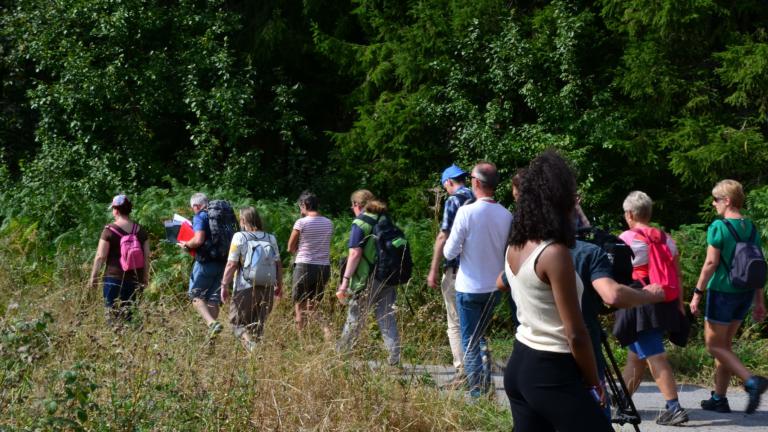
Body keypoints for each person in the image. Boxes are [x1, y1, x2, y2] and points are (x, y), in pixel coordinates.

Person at [503, 150, 611, 432]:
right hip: (551, 368)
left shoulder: (516, 244)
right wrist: (593, 381)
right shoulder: (554, 253)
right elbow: (575, 333)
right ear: (559, 200)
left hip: (521, 361)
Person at [690, 179, 767, 414]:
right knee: (724, 346)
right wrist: (759, 301)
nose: (713, 204)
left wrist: (696, 294)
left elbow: (711, 263)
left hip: (722, 293)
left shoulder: (719, 227)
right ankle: (719, 398)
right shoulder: (751, 227)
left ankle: (751, 381)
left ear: (727, 201)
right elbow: (758, 265)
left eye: (716, 199)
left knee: (714, 345)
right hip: (744, 293)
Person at [617, 191, 689, 425]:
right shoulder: (666, 239)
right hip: (663, 301)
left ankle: (674, 408)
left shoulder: (626, 239)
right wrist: (679, 304)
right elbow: (677, 275)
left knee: (654, 355)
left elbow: (617, 273)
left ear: (629, 214)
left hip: (638, 300)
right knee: (636, 356)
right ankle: (622, 404)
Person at [444, 161, 512, 397]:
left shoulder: (466, 212)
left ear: (475, 182)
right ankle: (486, 383)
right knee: (480, 336)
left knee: (470, 342)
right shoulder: (506, 214)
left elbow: (448, 252)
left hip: (468, 287)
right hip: (494, 287)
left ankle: (478, 394)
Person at [335, 190, 401, 366]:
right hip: (388, 276)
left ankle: (341, 358)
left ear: (357, 205)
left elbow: (355, 253)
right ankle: (394, 361)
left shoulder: (361, 222)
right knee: (386, 317)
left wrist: (345, 281)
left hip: (367, 278)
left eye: (352, 206)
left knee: (355, 318)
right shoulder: (385, 219)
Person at [426, 164, 474, 383]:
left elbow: (443, 236)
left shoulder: (453, 201)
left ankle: (463, 370)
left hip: (456, 270)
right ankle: (480, 364)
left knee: (454, 322)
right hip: (480, 271)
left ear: (448, 183)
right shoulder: (478, 198)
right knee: (475, 321)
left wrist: (434, 269)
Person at [220, 207, 283, 351]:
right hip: (267, 287)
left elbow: (231, 264)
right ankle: (255, 360)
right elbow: (278, 264)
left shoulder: (239, 237)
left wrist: (224, 285)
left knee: (236, 324)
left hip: (245, 287)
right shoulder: (270, 238)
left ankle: (251, 348)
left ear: (243, 220)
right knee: (257, 326)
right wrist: (279, 285)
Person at [89, 194, 150, 325]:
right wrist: (145, 278)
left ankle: (117, 342)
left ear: (116, 210)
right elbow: (146, 257)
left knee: (112, 317)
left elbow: (100, 256)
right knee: (131, 317)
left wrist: (93, 277)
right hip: (135, 280)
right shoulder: (141, 231)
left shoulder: (109, 231)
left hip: (113, 279)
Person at [179, 193, 226, 339]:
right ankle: (210, 339)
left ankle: (212, 323)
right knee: (213, 299)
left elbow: (198, 239)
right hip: (222, 263)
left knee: (196, 296)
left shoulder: (200, 216)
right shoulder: (220, 216)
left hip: (205, 263)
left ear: (196, 206)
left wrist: (186, 244)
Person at [287, 191, 333, 337]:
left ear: (305, 205)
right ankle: (326, 330)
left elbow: (290, 248)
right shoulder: (329, 223)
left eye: (300, 206)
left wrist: (296, 250)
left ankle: (301, 343)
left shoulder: (301, 223)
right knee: (313, 307)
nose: (300, 210)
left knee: (299, 306)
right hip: (323, 268)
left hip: (304, 266)